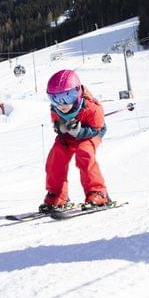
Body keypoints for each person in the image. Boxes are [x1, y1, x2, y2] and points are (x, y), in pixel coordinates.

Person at [39, 69, 111, 212]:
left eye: (68, 97)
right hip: (68, 137)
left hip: (91, 135)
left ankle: (98, 192)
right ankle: (57, 195)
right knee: (56, 156)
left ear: (77, 92)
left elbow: (98, 129)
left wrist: (80, 131)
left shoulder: (92, 107)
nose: (62, 104)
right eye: (55, 98)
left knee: (84, 153)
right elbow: (56, 125)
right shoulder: (55, 109)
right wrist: (61, 128)